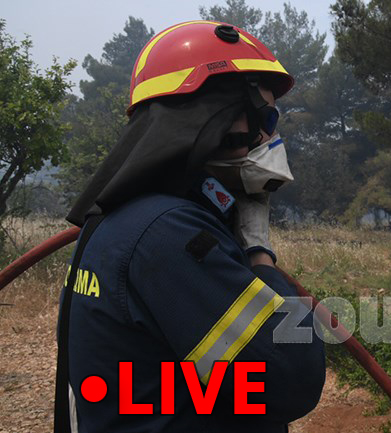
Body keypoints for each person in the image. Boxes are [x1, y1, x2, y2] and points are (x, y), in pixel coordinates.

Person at [57, 21, 325, 433]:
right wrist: (258, 253)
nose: (272, 137)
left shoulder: (119, 221)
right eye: (268, 117)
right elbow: (291, 378)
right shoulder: (170, 233)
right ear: (221, 119)